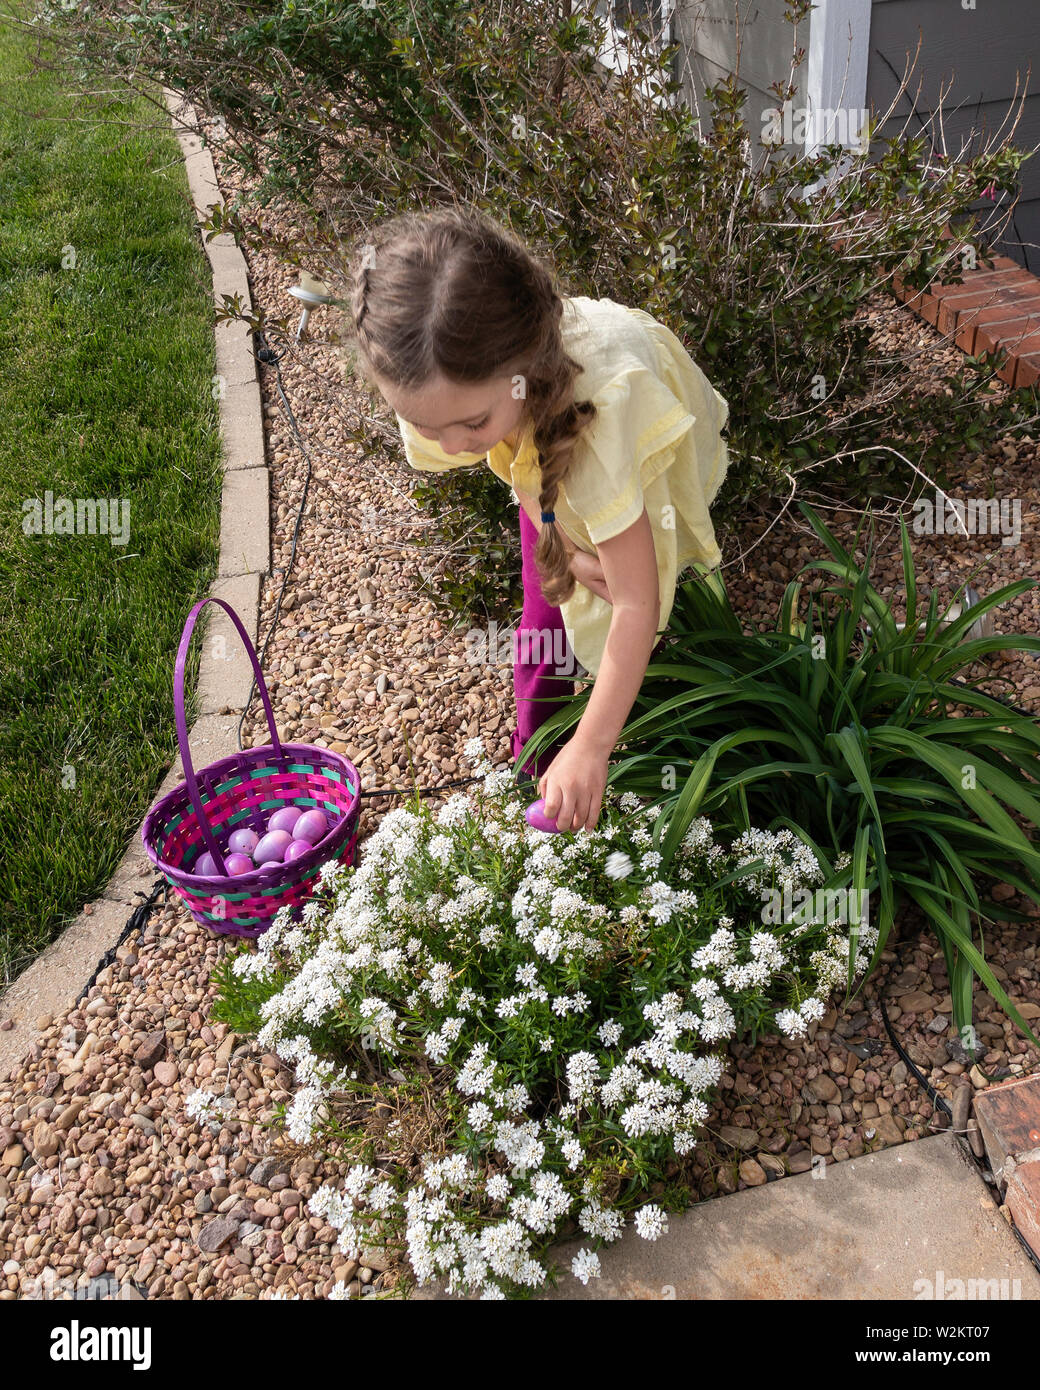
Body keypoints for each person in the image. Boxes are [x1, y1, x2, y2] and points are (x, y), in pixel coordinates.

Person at [343, 205, 731, 833]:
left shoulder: (600, 430)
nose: (457, 444)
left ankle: (631, 746)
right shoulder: (447, 380)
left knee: (641, 604)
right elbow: (528, 471)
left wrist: (594, 746)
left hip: (619, 463)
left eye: (472, 425)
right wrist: (569, 557)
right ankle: (538, 770)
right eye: (423, 424)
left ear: (525, 369)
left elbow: (637, 601)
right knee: (543, 623)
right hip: (553, 469)